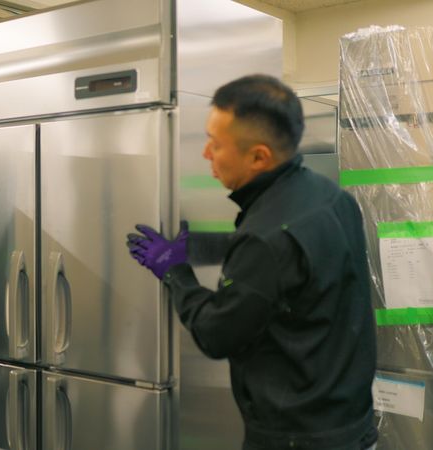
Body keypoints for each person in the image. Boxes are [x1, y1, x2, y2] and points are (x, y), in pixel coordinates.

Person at [127, 75, 377, 450]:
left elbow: (217, 334)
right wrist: (203, 247)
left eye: (215, 143)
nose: (205, 154)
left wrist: (175, 271)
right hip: (350, 424)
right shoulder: (331, 197)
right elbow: (295, 266)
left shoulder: (264, 239)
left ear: (259, 156)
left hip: (296, 439)